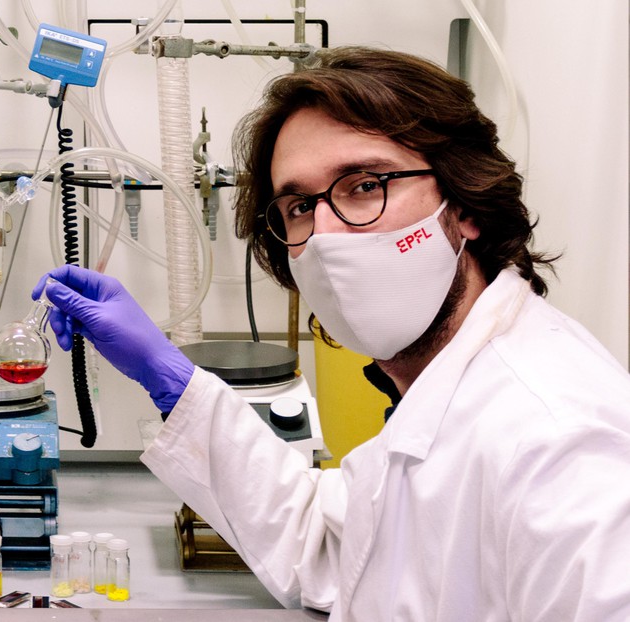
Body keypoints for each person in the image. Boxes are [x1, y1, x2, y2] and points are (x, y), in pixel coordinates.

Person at [32, 47, 630, 620]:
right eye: (298, 206)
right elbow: (331, 545)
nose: (325, 235)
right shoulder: (442, 403)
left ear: (465, 204)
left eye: (366, 185)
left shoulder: (562, 444)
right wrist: (168, 377)